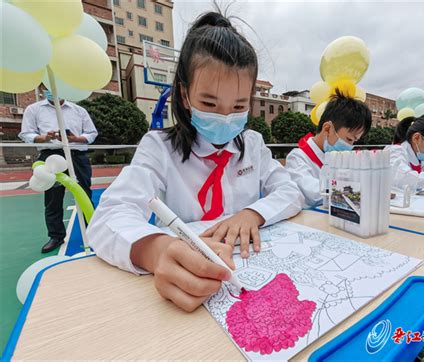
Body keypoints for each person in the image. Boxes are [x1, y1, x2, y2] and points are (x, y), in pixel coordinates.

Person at [86, 12, 304, 312]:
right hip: (185, 286)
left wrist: (253, 213)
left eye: (239, 106)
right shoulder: (158, 148)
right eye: (209, 104)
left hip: (250, 268)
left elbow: (291, 192)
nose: (225, 117)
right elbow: (108, 218)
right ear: (185, 95)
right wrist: (156, 250)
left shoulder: (253, 144)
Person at [19, 91, 98, 253]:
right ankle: (56, 236)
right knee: (53, 198)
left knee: (84, 194)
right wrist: (43, 138)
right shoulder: (34, 109)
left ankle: (94, 232)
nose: (52, 90)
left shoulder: (79, 110)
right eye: (47, 87)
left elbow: (92, 133)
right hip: (51, 156)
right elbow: (26, 133)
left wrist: (75, 139)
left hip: (77, 155)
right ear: (42, 89)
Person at [285, 91, 372, 208]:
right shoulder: (297, 158)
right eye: (349, 139)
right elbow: (313, 192)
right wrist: (357, 193)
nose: (350, 146)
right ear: (327, 129)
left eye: (354, 141)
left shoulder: (338, 158)